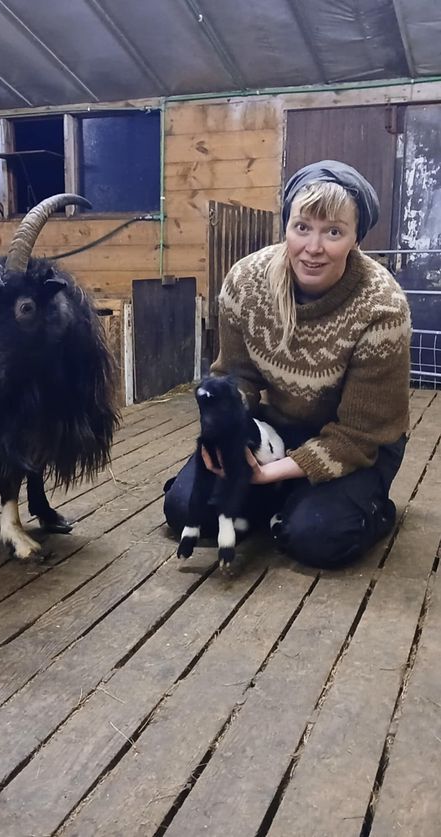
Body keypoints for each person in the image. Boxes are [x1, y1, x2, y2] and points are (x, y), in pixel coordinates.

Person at [164, 160, 411, 569]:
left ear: (355, 238)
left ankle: (370, 508)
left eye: (334, 231)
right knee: (185, 511)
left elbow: (360, 434)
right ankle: (284, 499)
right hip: (278, 427)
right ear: (286, 226)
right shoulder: (245, 283)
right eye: (302, 227)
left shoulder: (381, 308)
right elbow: (235, 377)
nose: (314, 248)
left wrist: (269, 474)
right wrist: (230, 433)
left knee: (316, 537)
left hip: (358, 444)